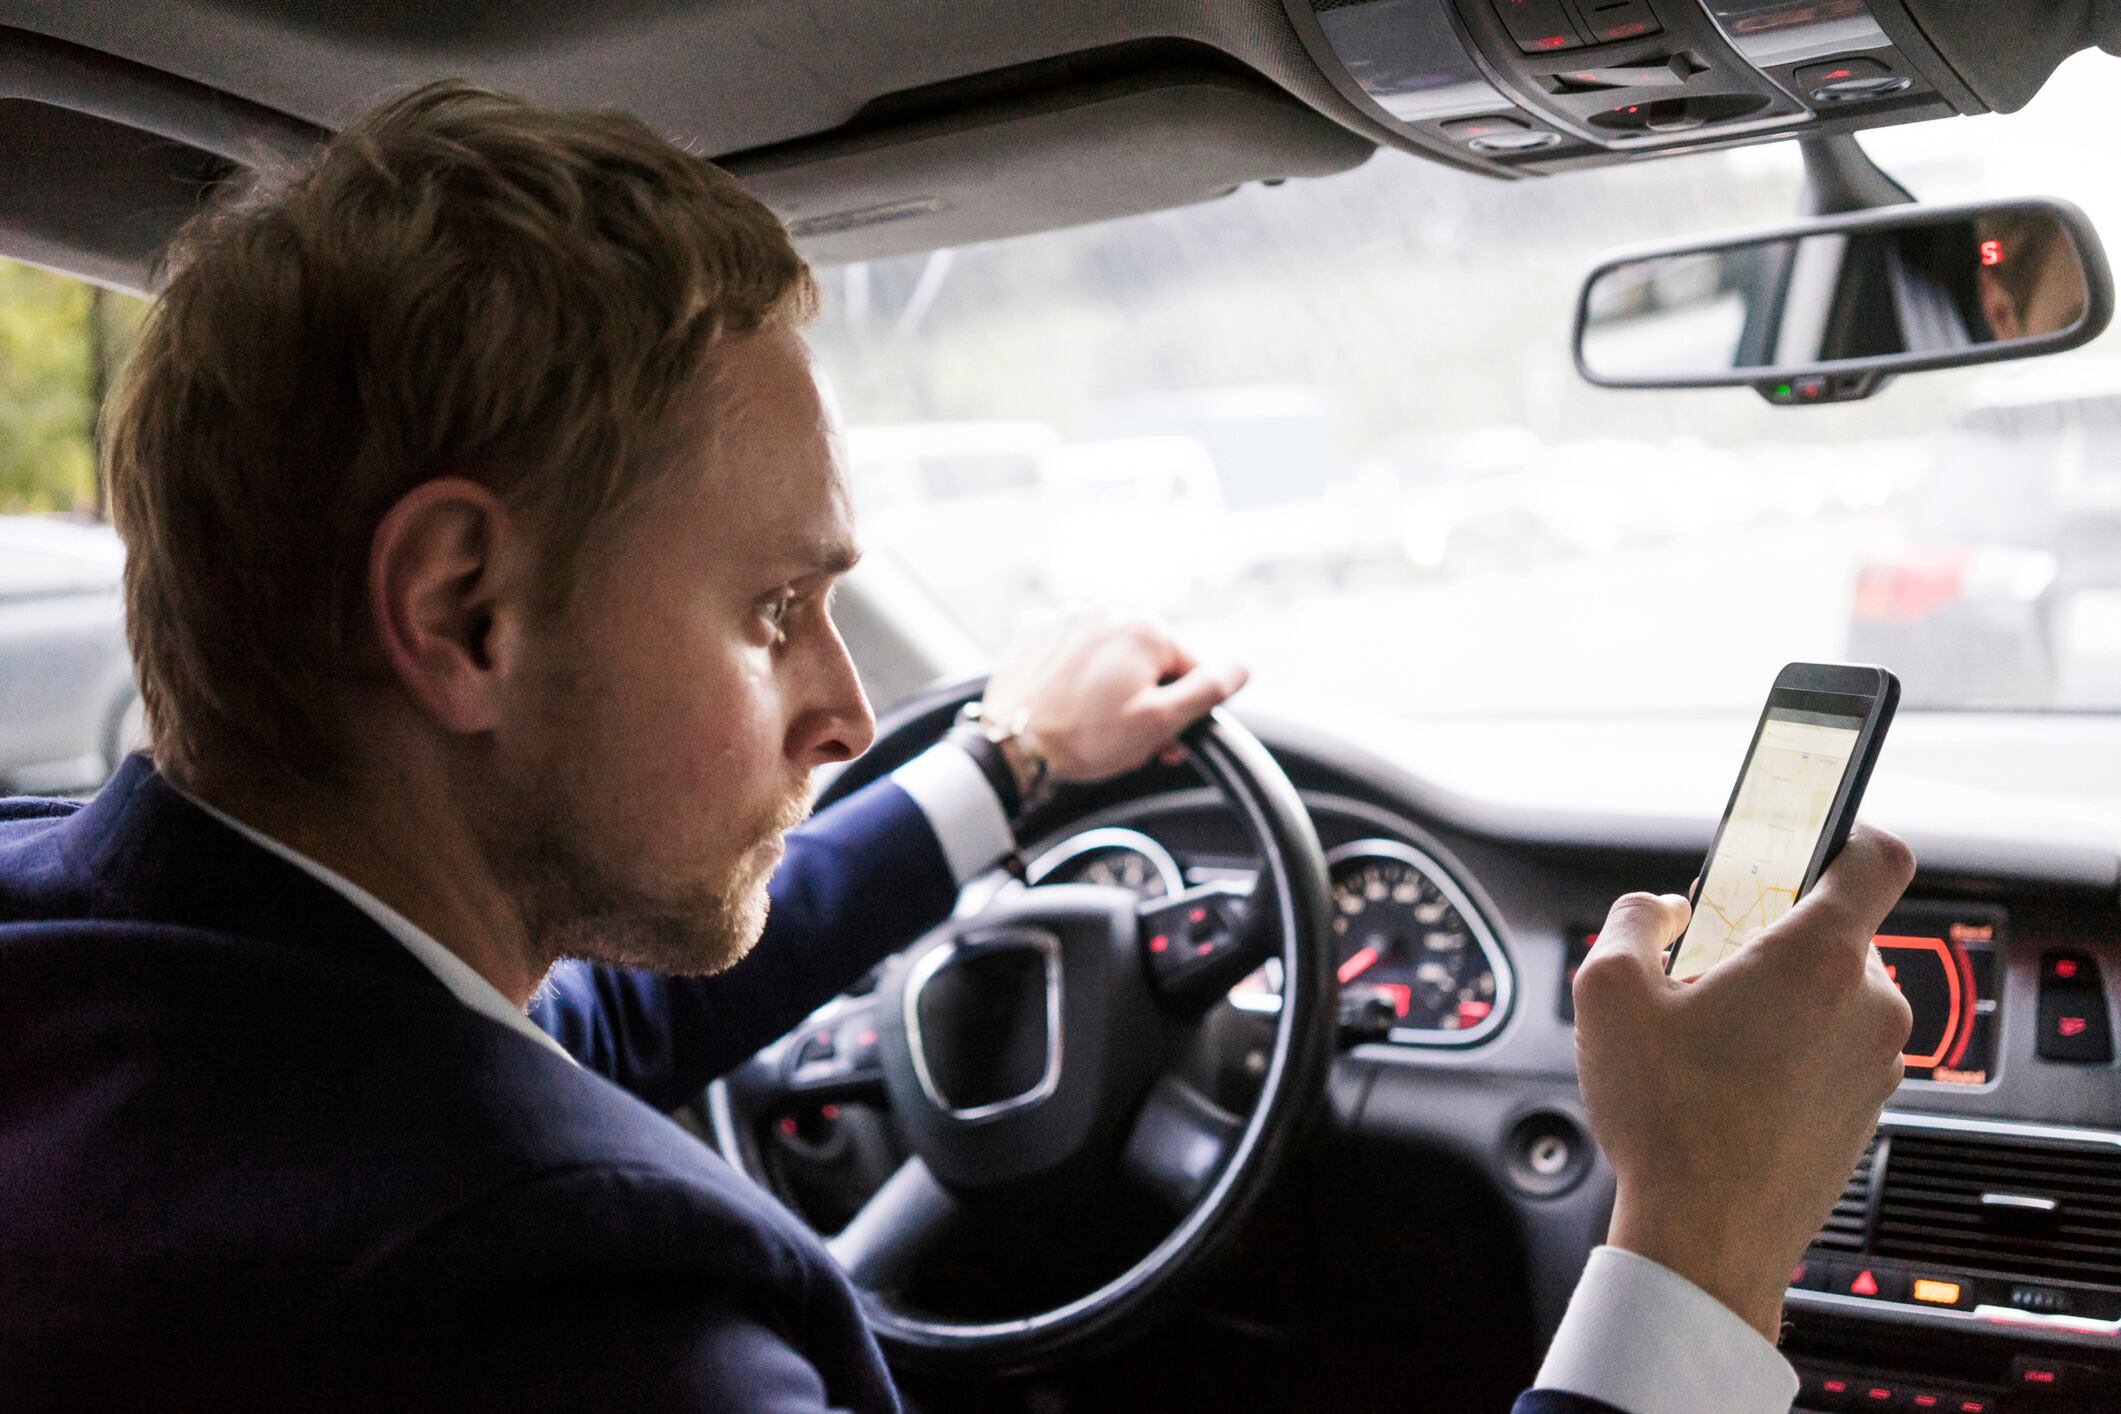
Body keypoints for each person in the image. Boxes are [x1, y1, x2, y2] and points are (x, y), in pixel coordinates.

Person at [0, 82, 1915, 1413]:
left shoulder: (120, 975)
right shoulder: (570, 1313)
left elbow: (554, 1038)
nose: (842, 706)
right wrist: (1699, 1235)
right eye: (771, 611)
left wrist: (1004, 766)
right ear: (461, 612)